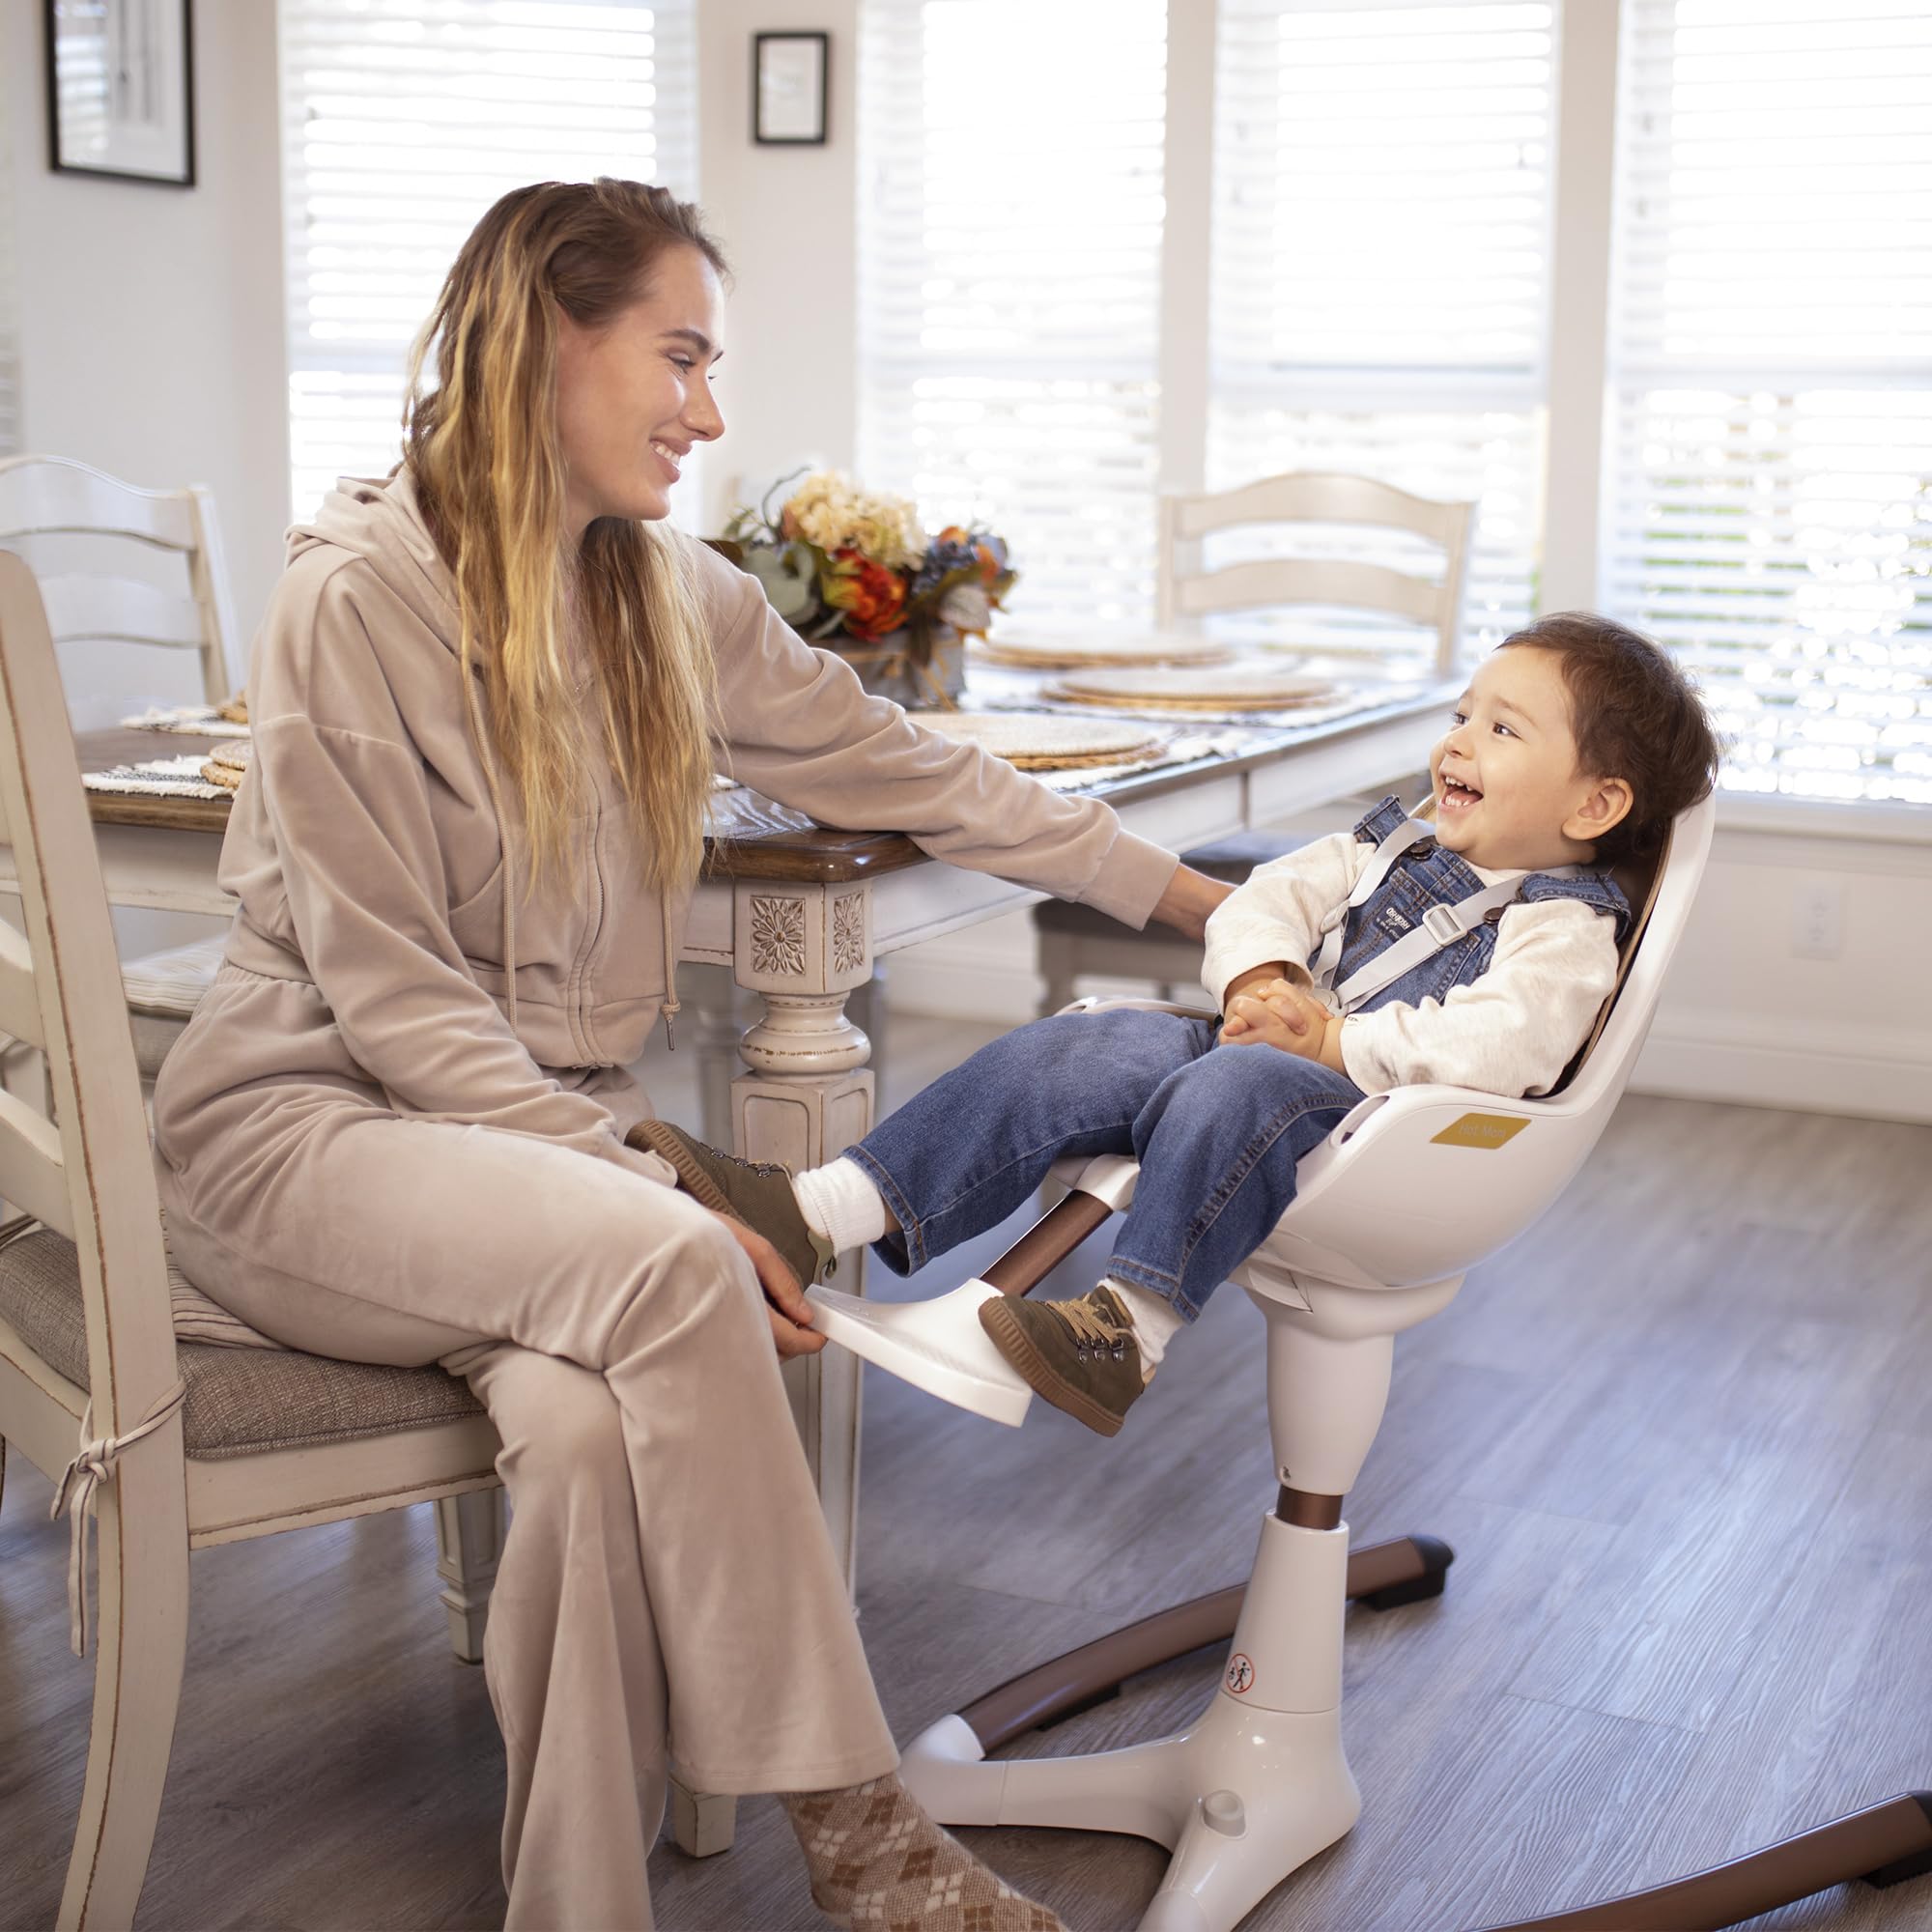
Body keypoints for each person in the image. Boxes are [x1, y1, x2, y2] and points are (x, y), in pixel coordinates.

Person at [151, 178, 1230, 1931]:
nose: (709, 413)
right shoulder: (351, 603)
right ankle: (862, 1833)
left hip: (520, 1153)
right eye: (678, 355)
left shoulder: (656, 592)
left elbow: (906, 765)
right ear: (543, 344)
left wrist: (1189, 899)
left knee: (582, 1436)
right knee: (680, 1270)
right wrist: (649, 1182)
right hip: (302, 1136)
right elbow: (397, 1001)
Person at [649, 614, 1721, 1438]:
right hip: (1281, 1052)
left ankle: (1128, 1326)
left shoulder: (1563, 928)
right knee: (1088, 1041)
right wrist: (1262, 972)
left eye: (1501, 728)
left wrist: (1330, 1044)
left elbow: (1503, 1047)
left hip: (1391, 1125)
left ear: (1592, 808)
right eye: (1462, 713)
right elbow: (1262, 894)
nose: (1457, 741)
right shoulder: (1387, 842)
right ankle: (819, 1206)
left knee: (1227, 1087)